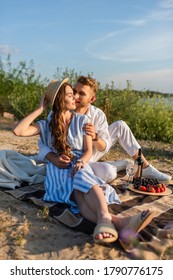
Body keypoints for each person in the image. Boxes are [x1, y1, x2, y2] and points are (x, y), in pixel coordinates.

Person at [13, 78, 156, 245]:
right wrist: (40, 108)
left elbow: (89, 151)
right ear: (60, 99)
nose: (75, 97)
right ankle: (118, 222)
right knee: (76, 194)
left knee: (81, 177)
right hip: (56, 170)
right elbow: (18, 130)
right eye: (70, 94)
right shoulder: (47, 124)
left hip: (80, 163)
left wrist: (81, 162)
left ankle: (104, 218)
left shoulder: (84, 120)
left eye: (78, 94)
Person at [38, 76, 172, 182]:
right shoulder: (59, 112)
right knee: (110, 173)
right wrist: (54, 158)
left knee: (120, 125)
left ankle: (144, 166)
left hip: (90, 154)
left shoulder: (97, 115)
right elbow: (43, 142)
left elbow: (104, 147)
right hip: (69, 158)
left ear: (92, 98)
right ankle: (121, 164)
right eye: (74, 91)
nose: (75, 96)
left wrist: (95, 136)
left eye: (81, 93)